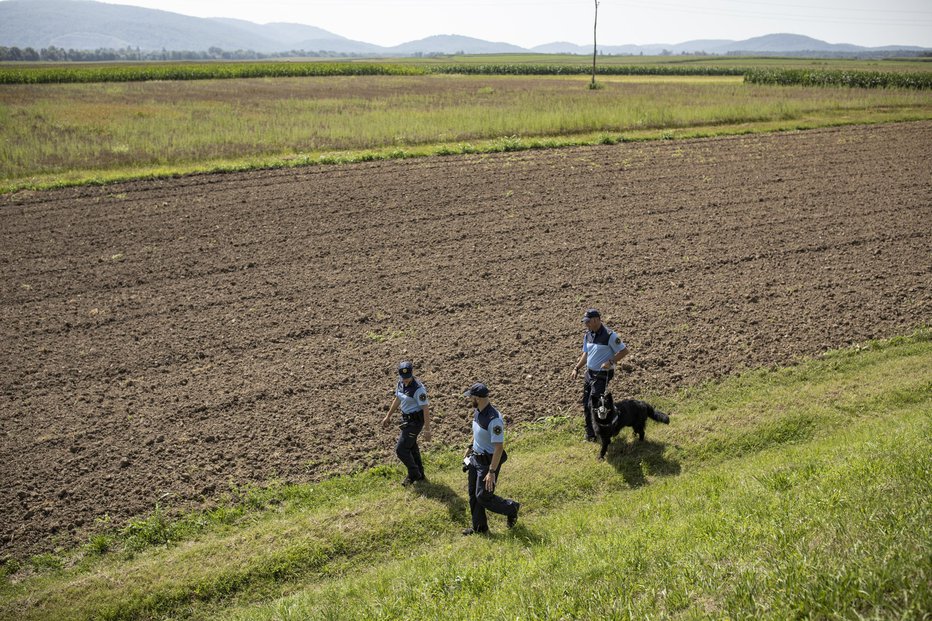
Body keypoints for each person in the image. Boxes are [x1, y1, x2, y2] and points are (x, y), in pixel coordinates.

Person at [461, 382, 520, 535]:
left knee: (483, 496)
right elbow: (477, 432)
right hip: (475, 459)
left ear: (478, 398)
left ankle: (511, 508)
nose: (469, 400)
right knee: (473, 494)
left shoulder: (494, 420)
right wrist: (469, 448)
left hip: (489, 462)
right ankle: (480, 528)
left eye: (471, 397)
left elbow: (499, 447)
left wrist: (492, 471)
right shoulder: (478, 410)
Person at [571, 308, 629, 442]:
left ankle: (605, 431)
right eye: (585, 322)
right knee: (586, 403)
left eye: (588, 321)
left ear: (596, 320)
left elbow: (624, 351)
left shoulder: (610, 335)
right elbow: (586, 354)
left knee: (595, 404)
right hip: (589, 374)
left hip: (602, 374)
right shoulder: (588, 335)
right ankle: (590, 434)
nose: (586, 324)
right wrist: (576, 368)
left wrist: (611, 361)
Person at [381, 361, 432, 485]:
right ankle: (420, 475)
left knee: (401, 450)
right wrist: (388, 416)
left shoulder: (418, 389)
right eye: (403, 378)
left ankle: (413, 474)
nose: (405, 380)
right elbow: (398, 399)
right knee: (412, 447)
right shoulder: (400, 383)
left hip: (415, 422)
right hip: (405, 420)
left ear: (412, 374)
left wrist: (427, 430)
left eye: (408, 377)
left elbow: (425, 409)